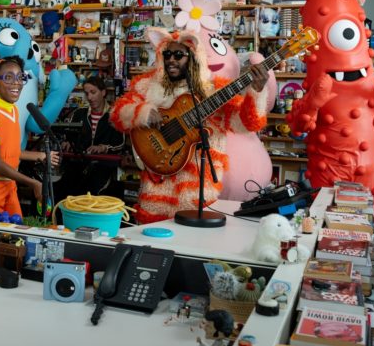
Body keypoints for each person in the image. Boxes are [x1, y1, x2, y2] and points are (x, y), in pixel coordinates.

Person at [111, 27, 269, 224]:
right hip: (156, 189)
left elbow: (247, 124)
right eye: (167, 54)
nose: (171, 60)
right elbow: (117, 113)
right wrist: (142, 112)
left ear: (194, 57)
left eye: (179, 55)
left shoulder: (214, 90)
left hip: (198, 193)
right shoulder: (147, 86)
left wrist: (256, 92)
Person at [0, 53, 58, 216]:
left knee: (16, 231)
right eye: (8, 78)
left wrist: (40, 155)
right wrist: (33, 183)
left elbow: (10, 151)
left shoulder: (13, 110)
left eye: (20, 77)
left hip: (8, 186)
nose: (16, 83)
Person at [58, 76, 125, 197]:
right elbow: (68, 135)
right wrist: (67, 142)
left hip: (103, 167)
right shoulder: (79, 113)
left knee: (92, 193)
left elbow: (120, 143)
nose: (89, 97)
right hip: (78, 165)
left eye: (93, 92)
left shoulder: (115, 115)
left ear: (103, 92)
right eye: (86, 93)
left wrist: (103, 148)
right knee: (65, 191)